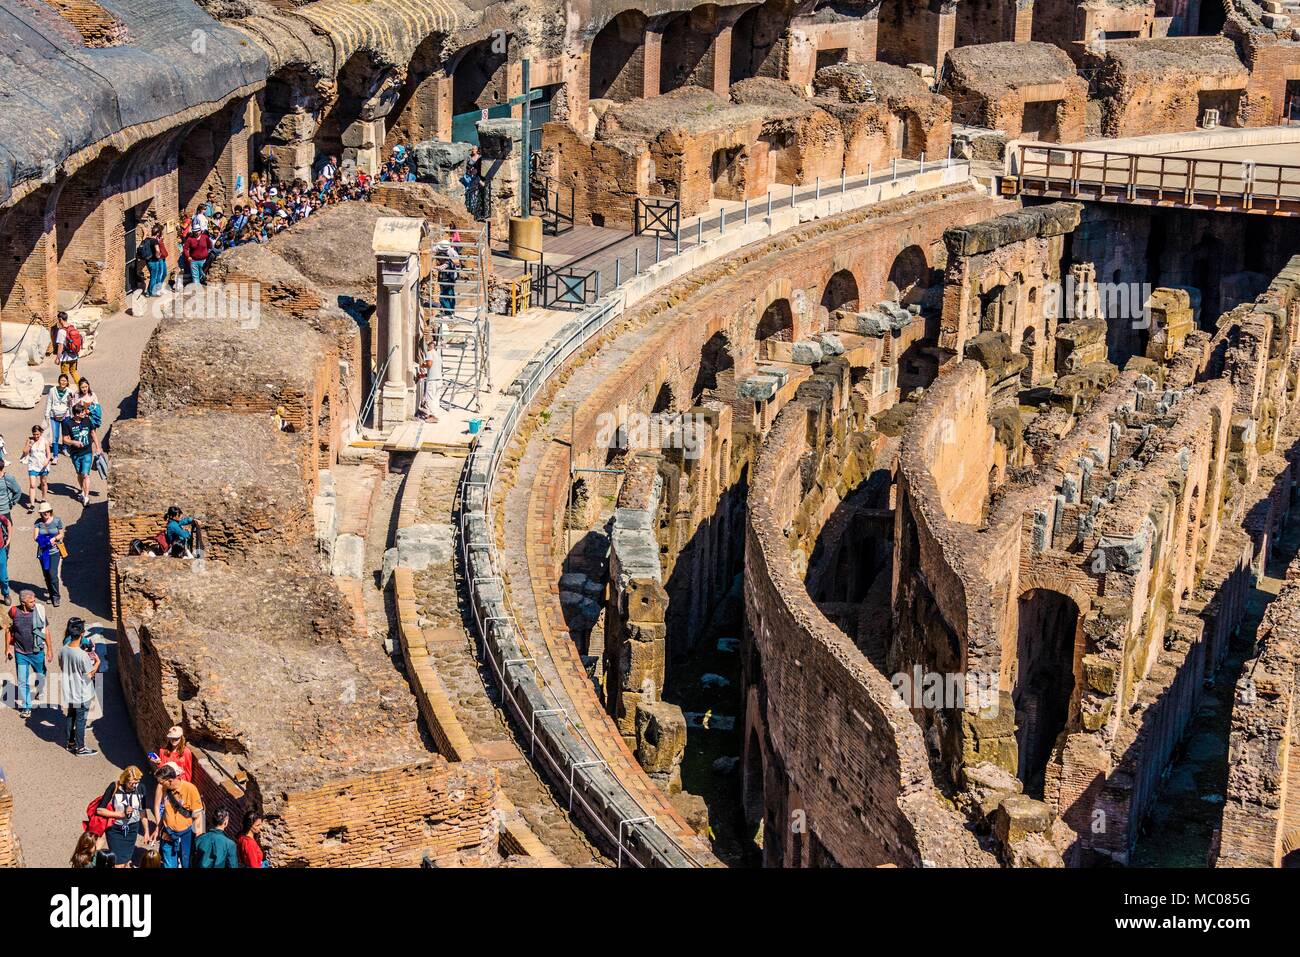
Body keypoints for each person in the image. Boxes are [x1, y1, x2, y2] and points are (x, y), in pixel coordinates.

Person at [4, 590, 49, 717]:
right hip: (20, 653)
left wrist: (50, 650)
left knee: (40, 674)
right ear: (23, 603)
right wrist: (7, 648)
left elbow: (47, 631)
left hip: (37, 652)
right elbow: (8, 629)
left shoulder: (39, 611)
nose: (34, 603)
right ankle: (26, 706)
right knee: (22, 681)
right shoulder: (13, 612)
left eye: (34, 600)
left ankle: (40, 689)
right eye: (31, 601)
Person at [93, 766, 149, 868]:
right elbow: (99, 810)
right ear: (125, 780)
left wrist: (146, 831)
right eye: (131, 783)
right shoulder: (114, 786)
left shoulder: (141, 788)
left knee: (126, 861)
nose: (134, 786)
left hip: (132, 829)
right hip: (115, 830)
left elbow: (143, 811)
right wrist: (121, 814)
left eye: (136, 783)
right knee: (117, 862)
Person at [59, 617, 99, 756]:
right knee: (81, 720)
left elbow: (62, 666)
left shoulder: (63, 649)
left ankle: (70, 743)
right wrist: (97, 663)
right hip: (82, 692)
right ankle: (81, 748)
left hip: (69, 690)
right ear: (82, 634)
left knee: (71, 716)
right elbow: (89, 675)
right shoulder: (82, 656)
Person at [154, 762, 204, 868]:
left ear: (170, 781)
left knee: (186, 863)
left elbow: (198, 815)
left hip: (186, 835)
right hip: (168, 832)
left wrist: (199, 838)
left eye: (162, 782)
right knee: (168, 864)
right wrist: (158, 828)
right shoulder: (164, 788)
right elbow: (165, 811)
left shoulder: (190, 789)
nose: (160, 785)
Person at [60, 403, 99, 507]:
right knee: (79, 474)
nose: (84, 413)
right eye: (82, 412)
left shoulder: (87, 420)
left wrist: (98, 447)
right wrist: (74, 442)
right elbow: (64, 439)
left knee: (86, 475)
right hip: (75, 453)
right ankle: (82, 491)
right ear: (76, 414)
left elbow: (93, 433)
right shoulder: (68, 423)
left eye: (84, 411)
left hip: (87, 452)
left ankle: (86, 497)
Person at [34, 502, 65, 606]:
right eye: (43, 512)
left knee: (53, 574)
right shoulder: (38, 523)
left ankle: (56, 596)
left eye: (47, 511)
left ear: (50, 511)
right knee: (47, 575)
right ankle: (51, 595)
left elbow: (61, 534)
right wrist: (45, 540)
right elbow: (35, 537)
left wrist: (54, 538)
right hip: (43, 552)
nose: (45, 513)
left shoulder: (57, 521)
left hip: (54, 551)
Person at [21, 423, 52, 509]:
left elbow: (49, 454)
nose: (36, 436)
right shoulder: (30, 440)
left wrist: (47, 461)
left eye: (38, 434)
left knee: (43, 483)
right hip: (33, 465)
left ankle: (43, 498)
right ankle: (32, 504)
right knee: (32, 485)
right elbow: (24, 452)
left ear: (41, 433)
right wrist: (30, 444)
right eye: (34, 434)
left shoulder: (45, 441)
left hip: (43, 465)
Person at [45, 374, 73, 466]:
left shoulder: (70, 391)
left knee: (65, 434)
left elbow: (71, 405)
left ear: (67, 382)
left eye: (65, 381)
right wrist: (47, 414)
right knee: (55, 436)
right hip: (54, 416)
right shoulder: (52, 390)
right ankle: (56, 456)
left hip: (66, 415)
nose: (63, 382)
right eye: (61, 380)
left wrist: (72, 414)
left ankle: (64, 448)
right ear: (59, 381)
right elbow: (49, 402)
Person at [53, 313, 82, 383]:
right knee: (74, 372)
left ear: (60, 319)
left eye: (58, 320)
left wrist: (58, 358)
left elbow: (60, 346)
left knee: (64, 376)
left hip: (66, 358)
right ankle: (82, 388)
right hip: (74, 356)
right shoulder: (73, 327)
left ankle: (66, 391)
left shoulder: (61, 331)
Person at [139, 225, 165, 297]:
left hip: (148, 261)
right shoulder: (155, 241)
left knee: (152, 276)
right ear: (157, 233)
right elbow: (157, 249)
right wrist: (158, 255)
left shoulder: (147, 239)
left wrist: (144, 234)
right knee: (154, 277)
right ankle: (149, 292)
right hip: (154, 261)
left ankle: (149, 291)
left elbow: (143, 241)